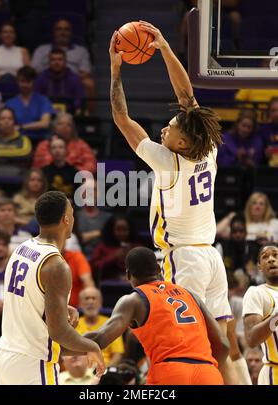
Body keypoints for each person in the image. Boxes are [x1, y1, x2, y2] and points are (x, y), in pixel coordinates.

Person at [109, 22, 241, 383]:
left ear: (181, 143)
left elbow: (122, 119)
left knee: (184, 340)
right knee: (225, 343)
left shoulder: (168, 162)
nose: (164, 130)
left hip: (183, 257)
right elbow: (187, 98)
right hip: (212, 256)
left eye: (170, 129)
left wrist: (115, 69)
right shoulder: (207, 148)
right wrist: (165, 49)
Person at [0, 191, 105, 385]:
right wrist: (91, 346)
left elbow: (26, 299)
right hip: (33, 364)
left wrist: (58, 308)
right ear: (66, 219)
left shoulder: (22, 247)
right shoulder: (56, 265)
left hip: (5, 356)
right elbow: (59, 332)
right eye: (71, 213)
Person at [85, 247, 229, 385]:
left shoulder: (134, 299)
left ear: (128, 274)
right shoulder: (190, 295)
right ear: (159, 269)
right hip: (207, 372)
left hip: (170, 372)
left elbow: (99, 339)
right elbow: (223, 345)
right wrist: (205, 369)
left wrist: (63, 341)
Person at [243, 245, 278, 385]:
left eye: (275, 255)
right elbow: (252, 338)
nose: (271, 259)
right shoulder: (256, 293)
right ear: (259, 267)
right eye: (265, 256)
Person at [32, 112, 97, 173]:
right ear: (54, 127)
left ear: (73, 129)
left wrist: (73, 173)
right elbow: (38, 168)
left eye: (68, 125)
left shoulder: (81, 145)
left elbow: (91, 165)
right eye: (60, 124)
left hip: (76, 179)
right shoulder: (44, 145)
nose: (64, 127)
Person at [0, 107, 32, 180]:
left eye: (10, 119)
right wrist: (13, 157)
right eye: (2, 119)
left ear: (14, 122)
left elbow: (25, 154)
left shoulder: (24, 140)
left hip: (19, 180)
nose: (6, 121)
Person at [77, 287, 125, 367]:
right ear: (80, 304)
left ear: (100, 303)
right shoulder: (73, 324)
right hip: (79, 372)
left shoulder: (111, 324)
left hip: (105, 370)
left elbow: (118, 354)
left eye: (94, 298)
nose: (90, 302)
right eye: (86, 298)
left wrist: (104, 371)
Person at [5, 66, 55, 141]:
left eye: (28, 81)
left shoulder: (43, 100)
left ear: (34, 82)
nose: (25, 84)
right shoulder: (10, 103)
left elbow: (45, 123)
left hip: (40, 140)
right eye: (22, 81)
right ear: (17, 82)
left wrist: (21, 127)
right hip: (17, 141)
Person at [35, 49, 85, 115]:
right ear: (49, 62)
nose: (56, 62)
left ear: (65, 62)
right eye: (53, 60)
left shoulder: (74, 78)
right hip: (46, 114)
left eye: (60, 59)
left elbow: (79, 99)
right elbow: (37, 99)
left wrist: (74, 108)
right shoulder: (41, 78)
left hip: (69, 115)